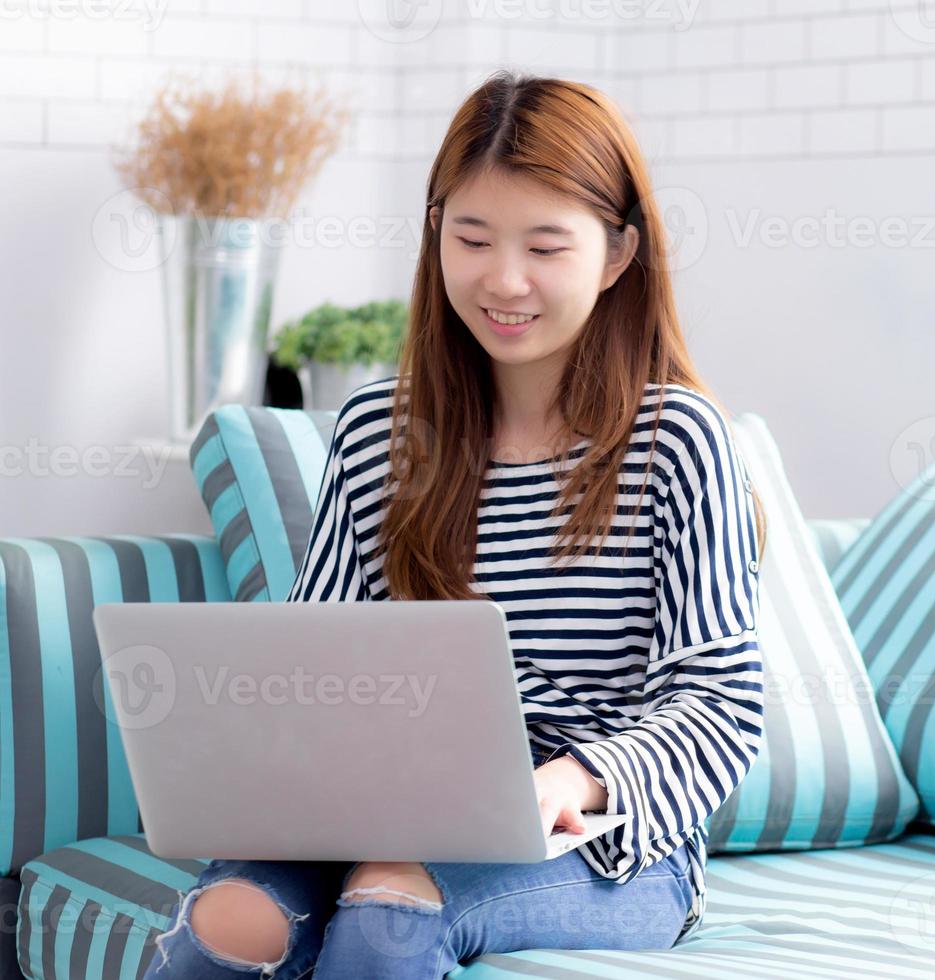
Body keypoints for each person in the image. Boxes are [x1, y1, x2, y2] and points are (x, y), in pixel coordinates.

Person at [144, 69, 767, 979]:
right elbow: (311, 663)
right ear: (437, 233)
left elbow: (723, 704)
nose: (503, 280)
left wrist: (568, 779)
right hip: (379, 805)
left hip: (605, 838)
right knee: (230, 924)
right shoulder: (375, 434)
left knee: (389, 908)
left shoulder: (675, 441)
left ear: (620, 253)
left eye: (546, 247)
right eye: (472, 237)